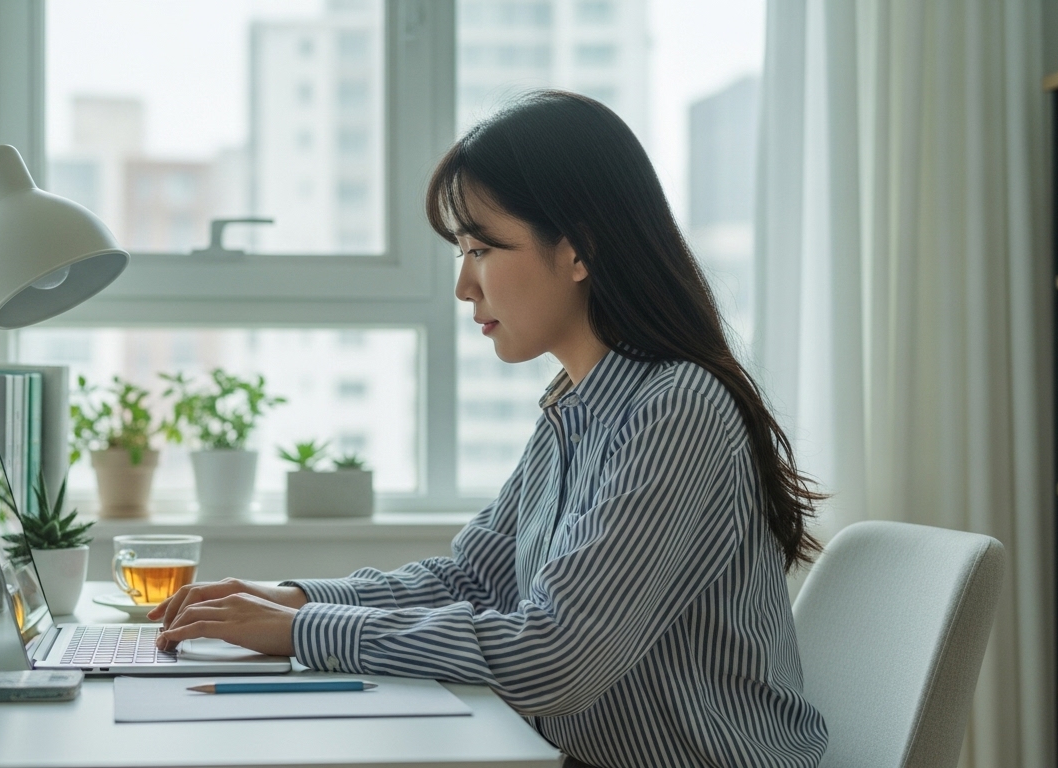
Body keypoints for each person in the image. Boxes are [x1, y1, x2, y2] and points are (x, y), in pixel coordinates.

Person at [150, 90, 829, 768]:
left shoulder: (677, 407)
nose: (464, 288)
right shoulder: (575, 407)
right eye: (461, 254)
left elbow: (557, 657)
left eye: (481, 249)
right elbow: (476, 581)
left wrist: (304, 631)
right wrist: (294, 598)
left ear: (579, 251)